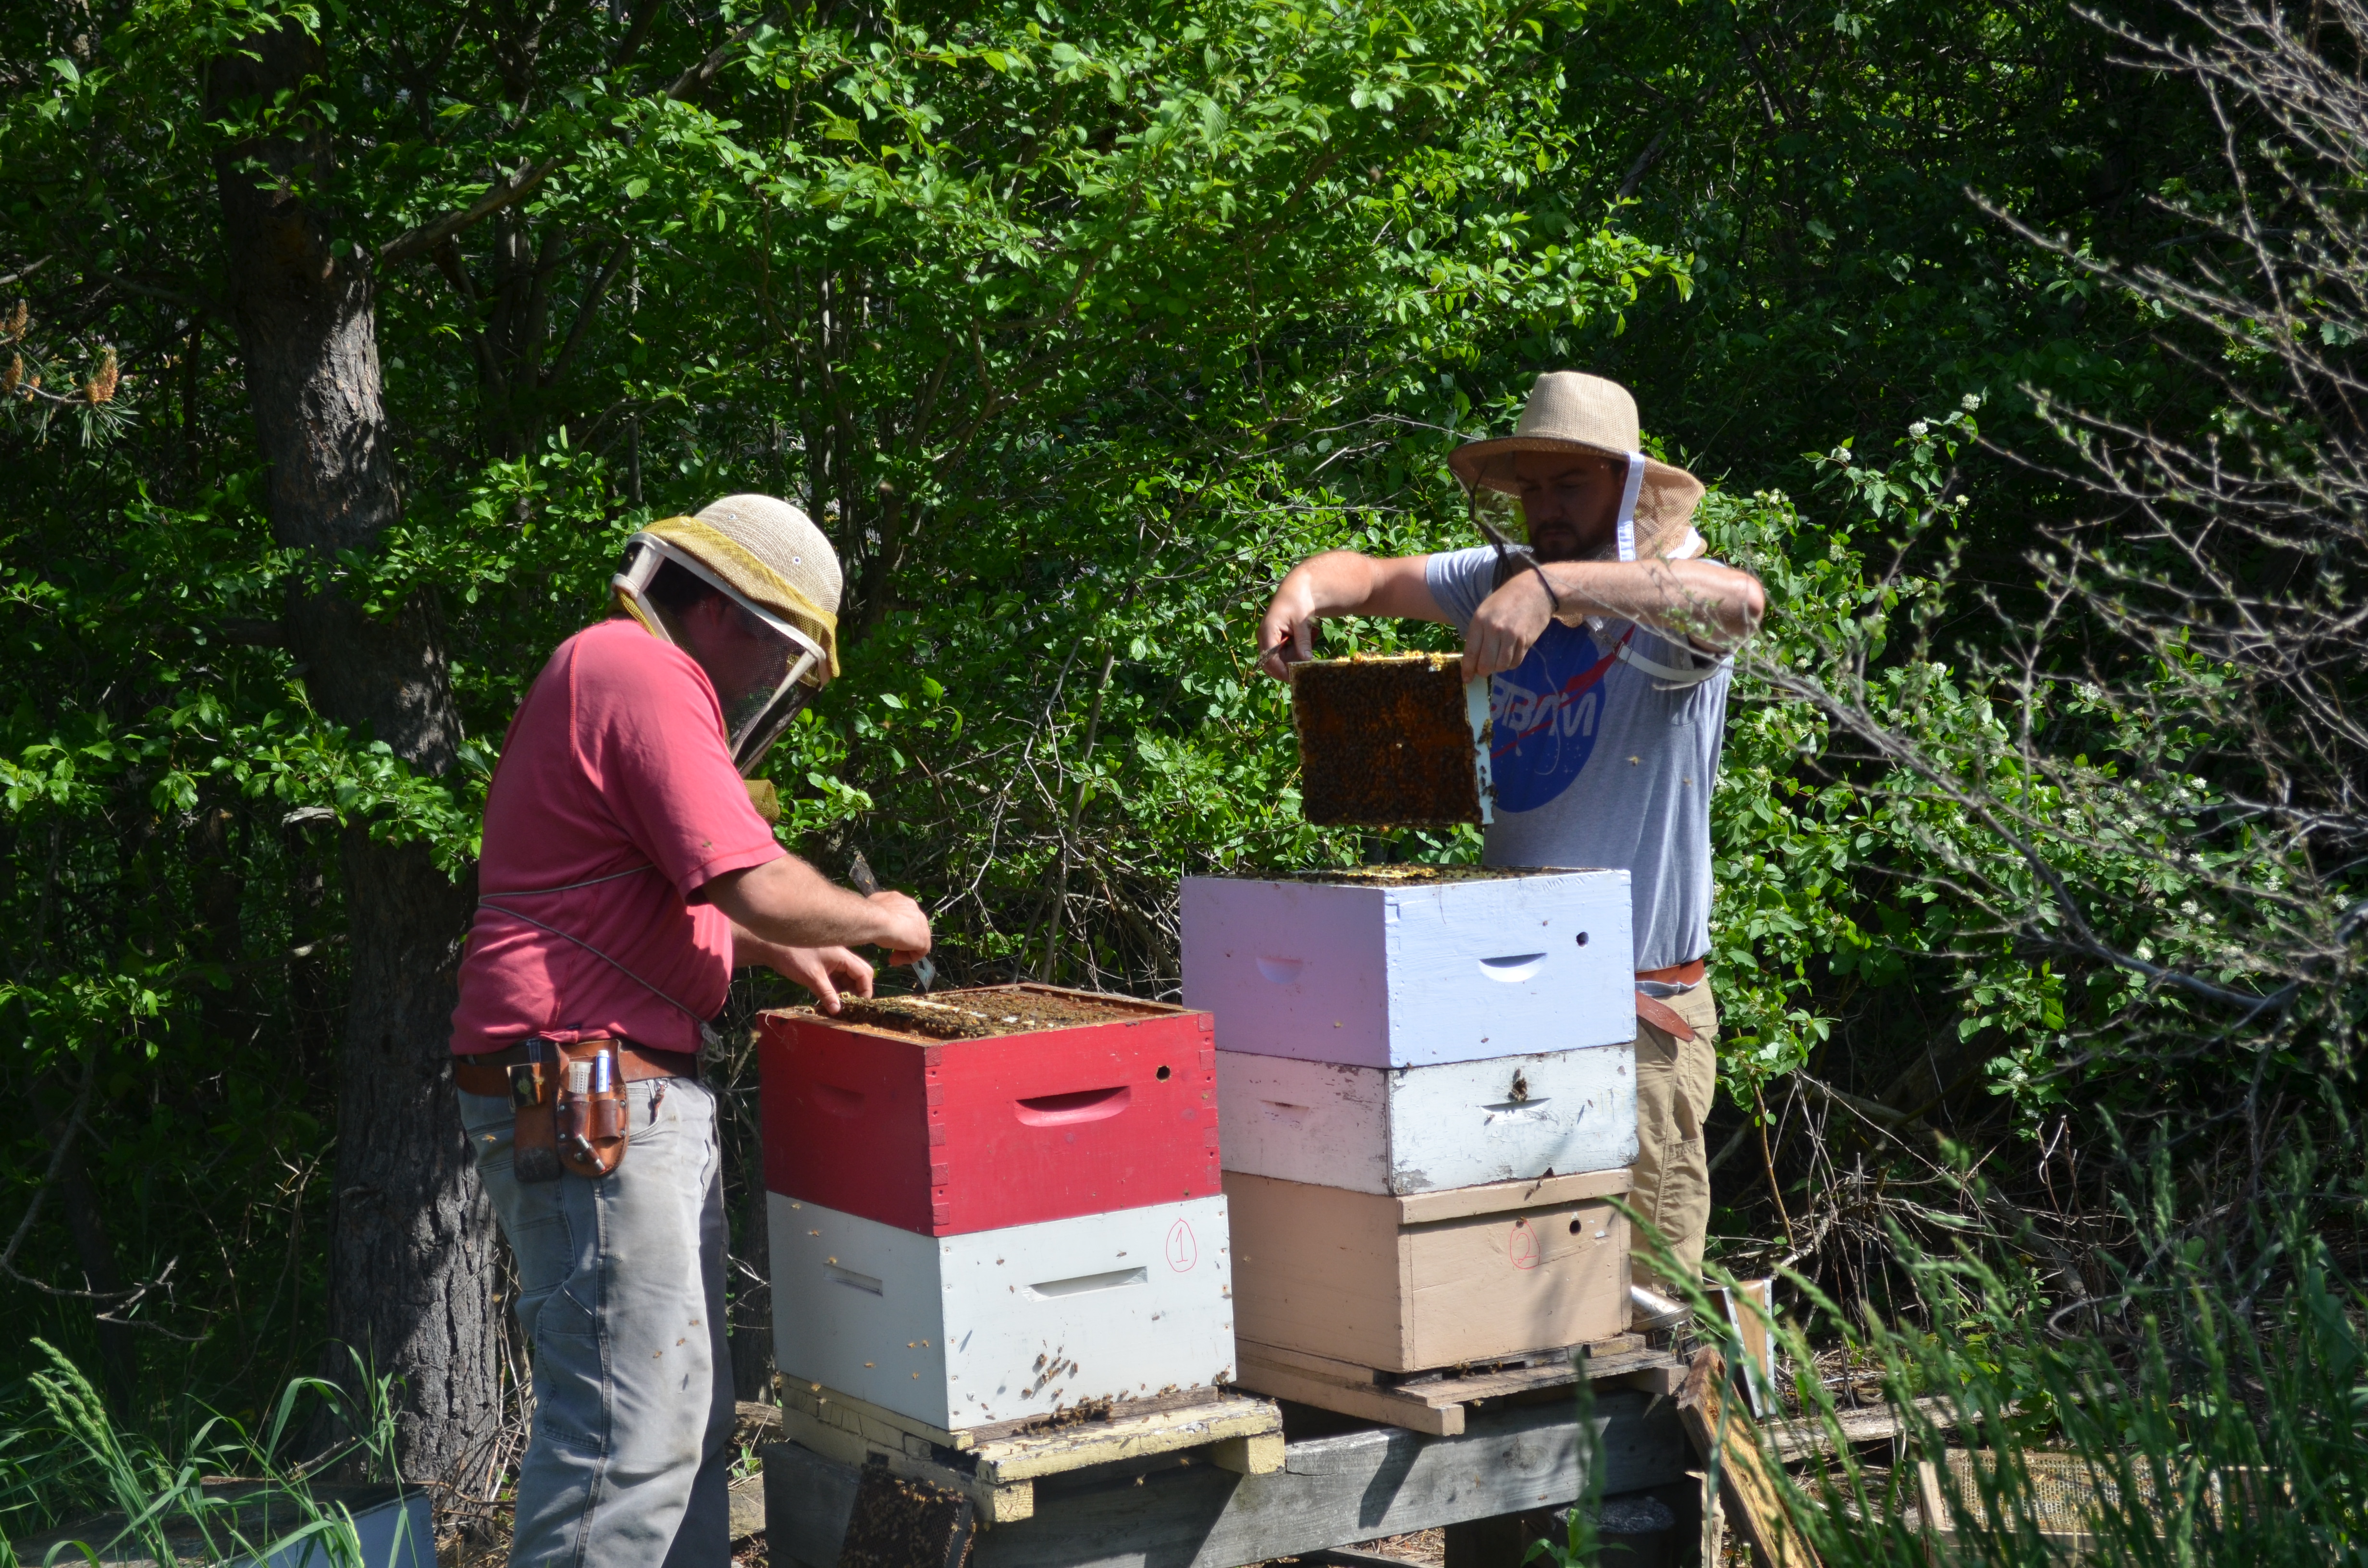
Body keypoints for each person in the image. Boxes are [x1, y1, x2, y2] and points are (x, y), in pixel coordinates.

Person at [448, 494, 931, 1566]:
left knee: (676, 1420)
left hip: (604, 1081)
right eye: (779, 651)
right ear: (729, 612)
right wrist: (872, 917)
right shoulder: (638, 670)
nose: (770, 681)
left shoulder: (610, 674)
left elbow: (629, 895)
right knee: (627, 1436)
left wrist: (772, 951)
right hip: (589, 1085)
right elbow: (746, 879)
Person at [1257, 372, 1764, 1316]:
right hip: (1515, 1008)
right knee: (1532, 1304)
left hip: (1637, 1015)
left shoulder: (1659, 620)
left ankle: (1693, 1466)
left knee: (1651, 1313)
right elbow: (1364, 576)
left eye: (1567, 487)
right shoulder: (1492, 581)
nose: (1543, 508)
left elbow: (1739, 603)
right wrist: (1302, 591)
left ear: (1626, 487)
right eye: (1530, 488)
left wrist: (1554, 588)